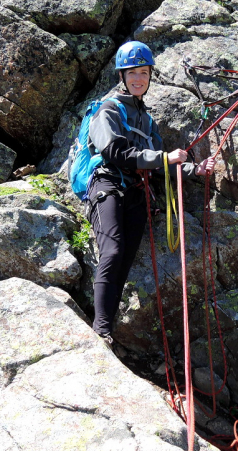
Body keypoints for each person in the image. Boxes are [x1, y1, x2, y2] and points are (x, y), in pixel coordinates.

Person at [86, 40, 216, 345]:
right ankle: (100, 330)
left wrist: (192, 170)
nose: (138, 79)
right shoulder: (108, 110)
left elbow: (160, 164)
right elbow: (115, 151)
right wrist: (163, 158)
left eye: (143, 73)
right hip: (107, 185)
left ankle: (106, 329)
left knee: (125, 260)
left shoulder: (147, 120)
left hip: (136, 193)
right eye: (132, 73)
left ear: (149, 77)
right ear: (121, 76)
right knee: (113, 252)